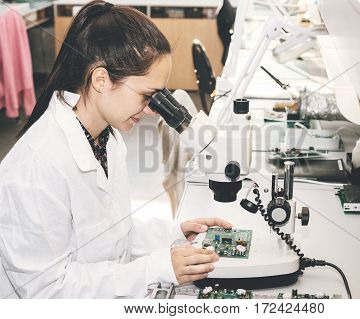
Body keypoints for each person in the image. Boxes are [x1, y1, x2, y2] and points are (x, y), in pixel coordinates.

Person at [0, 1, 232, 298]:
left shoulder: (105, 139)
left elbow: (112, 235)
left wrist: (175, 234)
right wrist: (155, 268)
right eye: (147, 96)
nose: (152, 111)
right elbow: (48, 292)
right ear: (100, 79)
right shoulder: (36, 168)